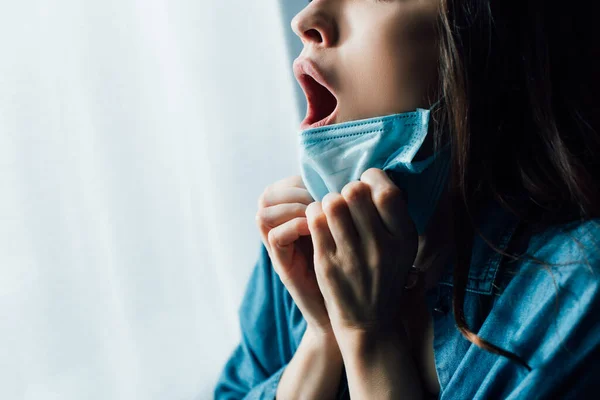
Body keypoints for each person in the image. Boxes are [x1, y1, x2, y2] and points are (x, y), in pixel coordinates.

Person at [214, 0, 600, 398]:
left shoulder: (579, 286)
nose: (305, 20)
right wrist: (321, 339)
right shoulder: (298, 254)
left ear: (494, 31)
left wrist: (368, 341)